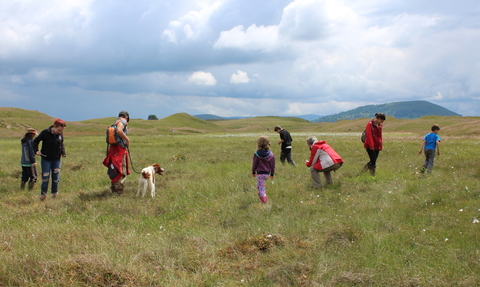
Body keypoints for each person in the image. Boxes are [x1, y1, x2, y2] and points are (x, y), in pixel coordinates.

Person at [33, 119, 67, 201]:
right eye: (58, 130)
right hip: (46, 159)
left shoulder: (60, 134)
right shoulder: (45, 132)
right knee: (45, 178)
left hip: (56, 159)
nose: (59, 132)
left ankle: (54, 194)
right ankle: (43, 195)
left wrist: (63, 152)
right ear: (54, 126)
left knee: (56, 178)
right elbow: (36, 141)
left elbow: (61, 143)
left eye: (61, 131)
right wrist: (36, 150)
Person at [103, 111, 131, 194]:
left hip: (113, 149)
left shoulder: (115, 122)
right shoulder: (123, 121)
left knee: (114, 168)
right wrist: (127, 139)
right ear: (126, 117)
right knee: (120, 170)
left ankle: (114, 190)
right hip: (119, 150)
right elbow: (119, 130)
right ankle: (118, 192)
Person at [252, 136, 275, 204]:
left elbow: (254, 164)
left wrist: (253, 172)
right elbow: (273, 165)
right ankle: (261, 195)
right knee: (258, 185)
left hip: (260, 174)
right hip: (267, 174)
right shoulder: (271, 154)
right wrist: (272, 174)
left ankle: (264, 200)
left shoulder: (256, 154)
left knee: (261, 188)